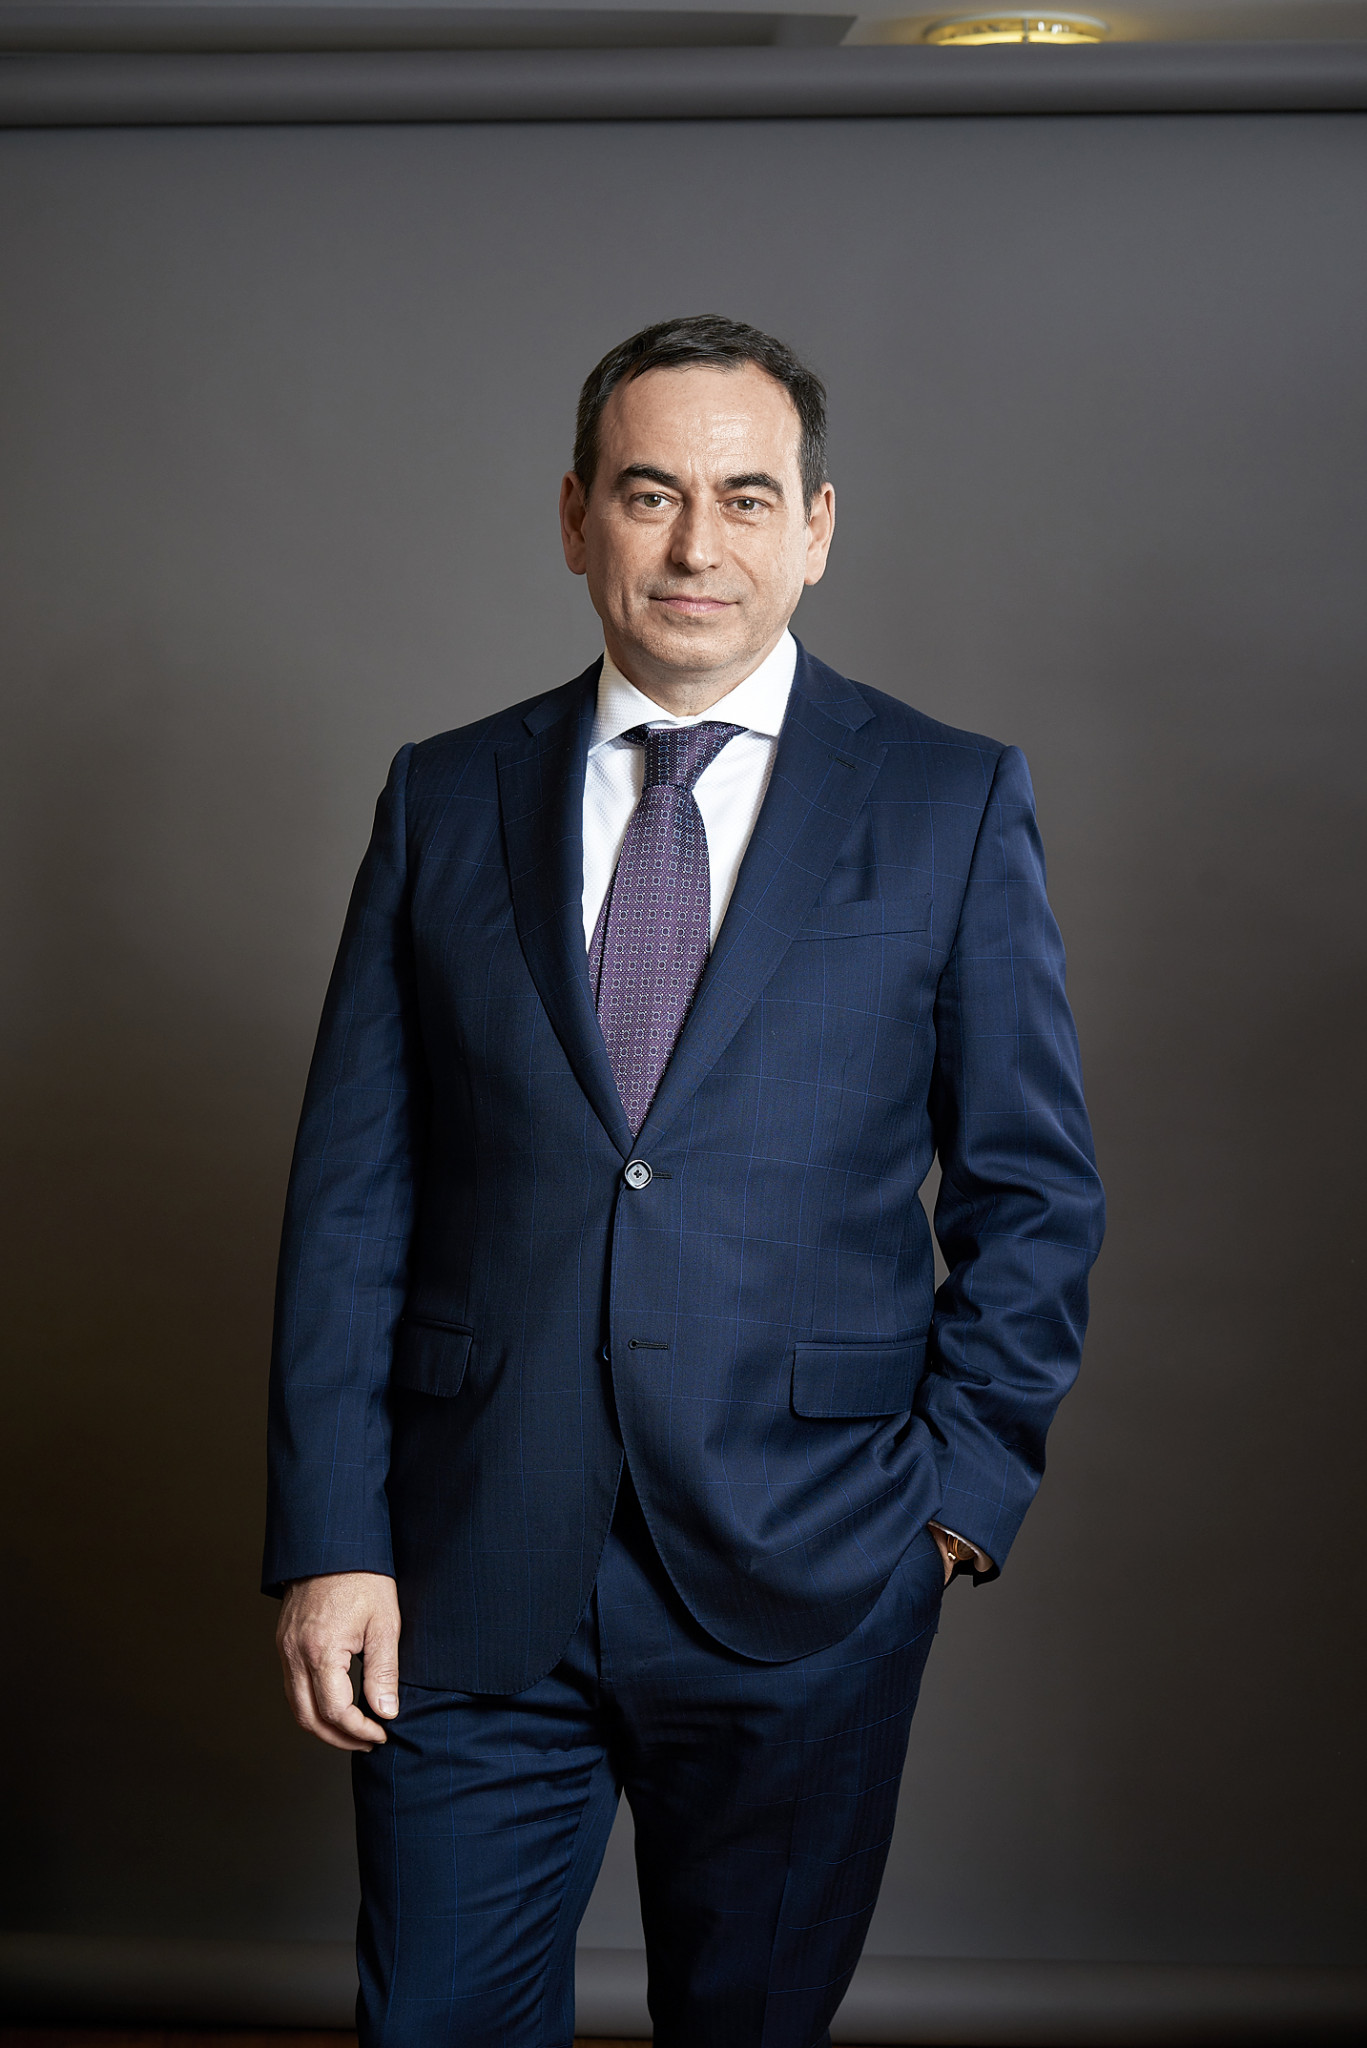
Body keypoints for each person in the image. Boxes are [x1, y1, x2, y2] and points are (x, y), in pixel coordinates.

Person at [264, 313, 1104, 2048]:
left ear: (818, 527)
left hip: (813, 1570)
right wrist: (333, 1537)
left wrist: (948, 1516)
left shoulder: (949, 802)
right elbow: (352, 1200)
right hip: (464, 1568)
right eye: (650, 495)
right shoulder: (444, 796)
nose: (695, 545)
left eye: (745, 497)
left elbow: (1032, 1190)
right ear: (576, 517)